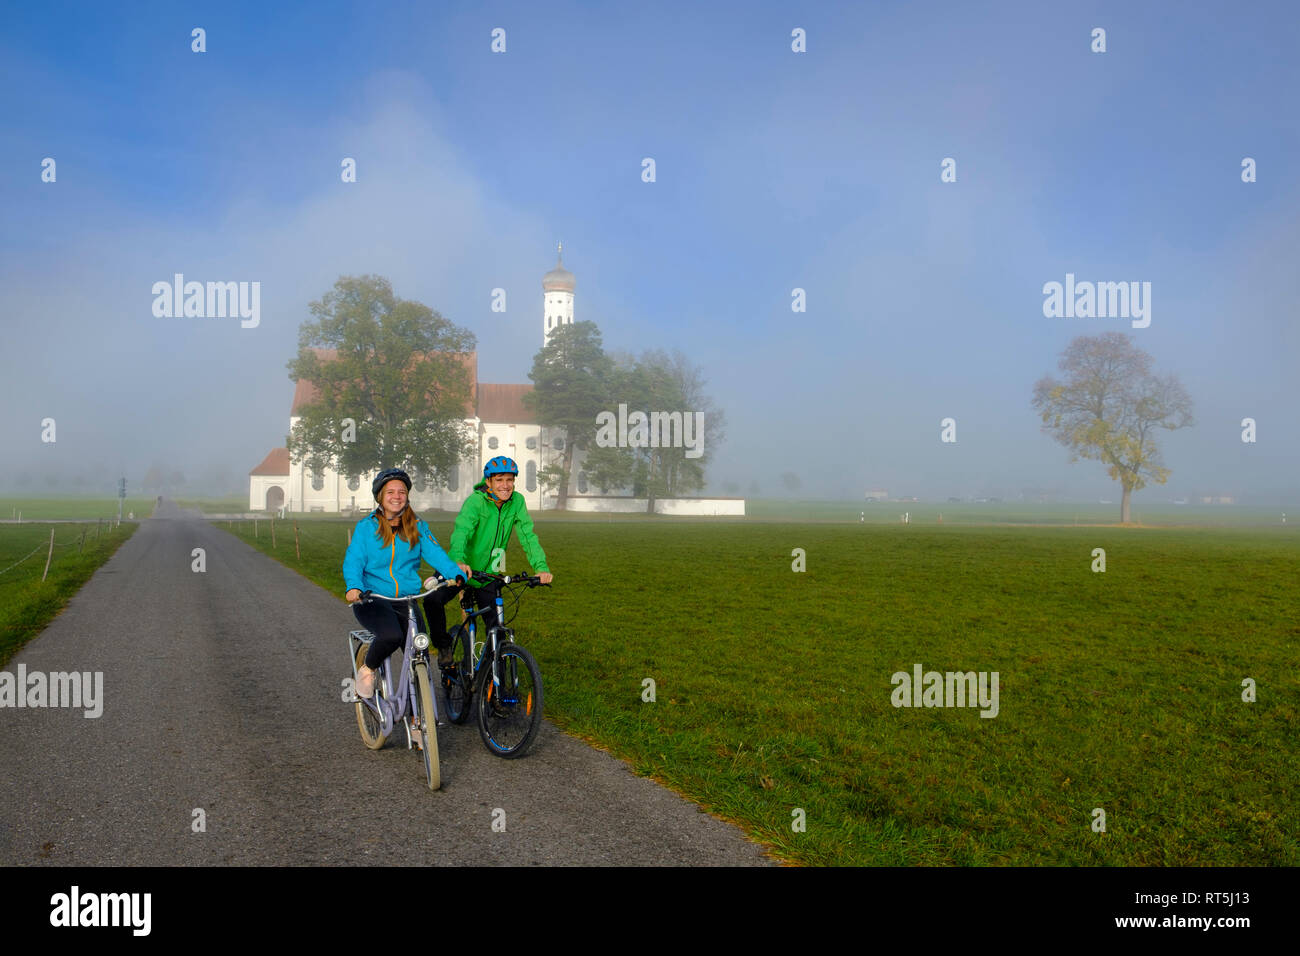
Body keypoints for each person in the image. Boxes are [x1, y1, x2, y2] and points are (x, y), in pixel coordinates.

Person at [343, 468, 464, 700]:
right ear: (380, 497)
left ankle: (418, 716)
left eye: (402, 491)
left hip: (407, 601)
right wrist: (354, 587)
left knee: (421, 655)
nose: (396, 496)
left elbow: (436, 554)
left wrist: (455, 574)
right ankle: (367, 669)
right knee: (391, 636)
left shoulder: (417, 526)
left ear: (407, 496)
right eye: (390, 492)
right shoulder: (366, 528)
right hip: (373, 599)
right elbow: (354, 561)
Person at [427, 456, 553, 658]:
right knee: (433, 600)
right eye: (499, 479)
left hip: (489, 572)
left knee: (497, 630)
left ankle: (490, 674)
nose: (506, 485)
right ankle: (443, 646)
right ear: (489, 482)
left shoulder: (517, 502)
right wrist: (458, 561)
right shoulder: (476, 502)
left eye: (510, 480)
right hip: (460, 568)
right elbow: (462, 532)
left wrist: (541, 567)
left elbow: (528, 536)